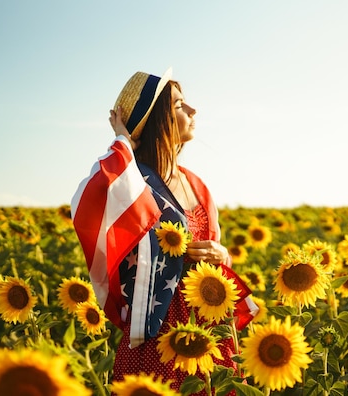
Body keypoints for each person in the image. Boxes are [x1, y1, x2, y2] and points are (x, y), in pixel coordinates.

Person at [70, 68, 256, 395]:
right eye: (180, 105)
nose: (193, 110)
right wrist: (123, 141)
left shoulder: (197, 184)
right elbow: (95, 196)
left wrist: (222, 254)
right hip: (159, 324)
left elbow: (216, 247)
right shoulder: (133, 183)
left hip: (209, 318)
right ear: (157, 120)